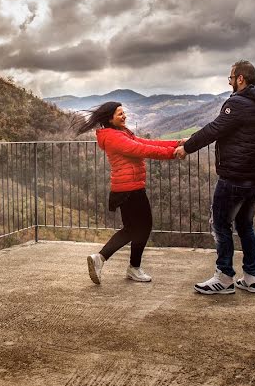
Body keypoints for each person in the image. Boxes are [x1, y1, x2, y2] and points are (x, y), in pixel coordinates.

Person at [175, 60, 255, 295]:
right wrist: (189, 139)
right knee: (245, 225)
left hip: (235, 177)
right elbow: (229, 129)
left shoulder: (238, 103)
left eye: (231, 78)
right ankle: (252, 278)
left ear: (240, 78)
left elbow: (214, 129)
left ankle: (224, 277)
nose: (229, 82)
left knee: (220, 224)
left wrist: (187, 147)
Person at [75, 101, 180, 284]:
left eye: (124, 113)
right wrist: (174, 153)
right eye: (119, 114)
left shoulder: (119, 134)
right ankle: (132, 267)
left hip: (126, 188)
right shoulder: (115, 137)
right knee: (143, 227)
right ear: (110, 118)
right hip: (130, 189)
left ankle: (103, 259)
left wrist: (178, 143)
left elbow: (146, 142)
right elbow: (143, 149)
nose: (124, 116)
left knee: (132, 229)